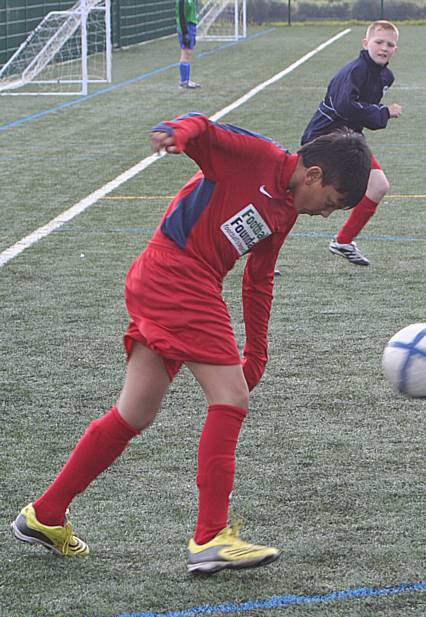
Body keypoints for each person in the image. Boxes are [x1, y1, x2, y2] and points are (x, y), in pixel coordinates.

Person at [10, 113, 372, 575]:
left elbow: (259, 281)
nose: (325, 213)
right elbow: (202, 128)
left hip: (173, 281)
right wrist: (174, 132)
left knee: (134, 413)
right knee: (230, 398)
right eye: (331, 203)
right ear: (314, 174)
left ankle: (46, 513)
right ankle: (210, 537)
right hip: (176, 276)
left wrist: (256, 352)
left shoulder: (284, 211)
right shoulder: (259, 156)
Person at [302, 20, 402, 266]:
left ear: (395, 49)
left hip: (350, 140)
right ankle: (263, 254)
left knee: (378, 185)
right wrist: (384, 112)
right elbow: (346, 107)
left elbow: (363, 115)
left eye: (390, 44)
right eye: (379, 42)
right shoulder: (353, 72)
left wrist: (380, 114)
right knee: (299, 198)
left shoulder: (386, 76)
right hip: (323, 139)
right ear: (366, 43)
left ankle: (343, 241)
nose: (384, 47)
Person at [176, 0, 200, 89]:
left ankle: (186, 80)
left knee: (188, 53)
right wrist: (185, 32)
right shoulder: (182, 1)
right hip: (186, 27)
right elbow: (181, 16)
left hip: (191, 25)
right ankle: (184, 81)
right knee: (186, 53)